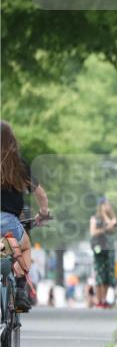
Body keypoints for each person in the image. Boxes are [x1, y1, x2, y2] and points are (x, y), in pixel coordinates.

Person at [0, 121, 51, 311]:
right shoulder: (18, 164)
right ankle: (21, 290)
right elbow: (40, 195)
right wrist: (44, 213)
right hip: (8, 223)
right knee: (25, 248)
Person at [89, 197, 117, 309]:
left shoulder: (110, 218)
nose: (108, 206)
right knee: (100, 275)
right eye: (106, 204)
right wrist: (105, 229)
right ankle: (99, 300)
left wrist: (110, 214)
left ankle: (104, 299)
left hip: (109, 250)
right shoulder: (95, 219)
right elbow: (93, 232)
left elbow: (114, 227)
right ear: (101, 206)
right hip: (99, 250)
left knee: (107, 276)